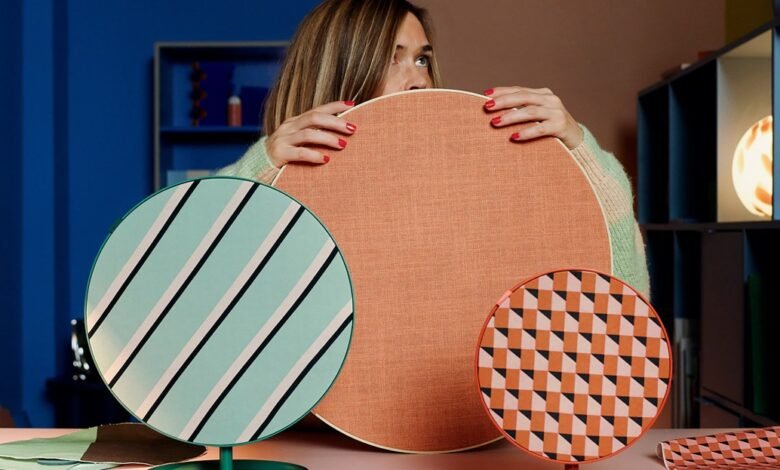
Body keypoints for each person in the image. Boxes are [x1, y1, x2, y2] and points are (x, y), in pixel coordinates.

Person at [217, 0, 649, 296]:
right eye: (392, 57)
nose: (420, 78)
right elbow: (188, 282)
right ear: (340, 70)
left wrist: (580, 154)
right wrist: (263, 164)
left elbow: (624, 300)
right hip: (301, 427)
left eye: (422, 58)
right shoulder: (279, 176)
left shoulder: (470, 189)